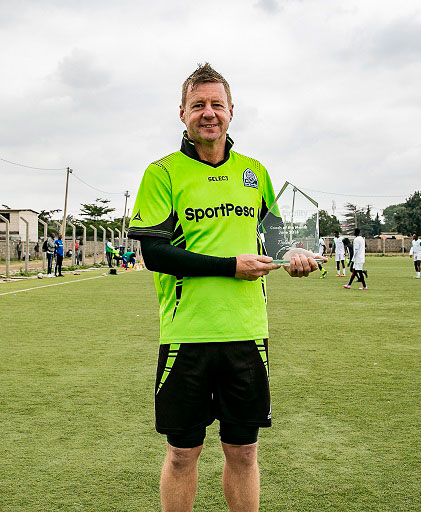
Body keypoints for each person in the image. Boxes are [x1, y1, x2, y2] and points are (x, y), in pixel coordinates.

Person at [127, 63, 322, 512]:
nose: (208, 113)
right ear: (182, 113)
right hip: (187, 336)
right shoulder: (163, 173)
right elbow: (155, 254)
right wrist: (230, 266)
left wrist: (297, 259)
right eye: (199, 105)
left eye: (217, 104)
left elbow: (282, 244)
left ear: (232, 111)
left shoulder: (254, 172)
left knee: (244, 451)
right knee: (181, 454)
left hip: (247, 333)